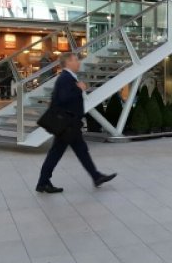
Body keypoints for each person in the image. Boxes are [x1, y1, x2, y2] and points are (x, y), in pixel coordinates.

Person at [36, 53, 116, 193]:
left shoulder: (68, 78)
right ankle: (43, 182)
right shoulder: (65, 78)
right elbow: (63, 98)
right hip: (68, 125)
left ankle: (95, 176)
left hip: (70, 124)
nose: (78, 63)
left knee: (77, 151)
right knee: (61, 153)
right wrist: (80, 89)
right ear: (68, 62)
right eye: (76, 60)